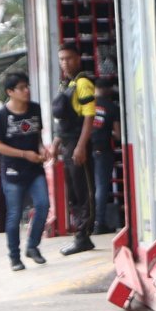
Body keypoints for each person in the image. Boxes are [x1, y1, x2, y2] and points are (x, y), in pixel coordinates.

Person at [0, 72, 50, 271]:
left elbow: (37, 137)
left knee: (43, 205)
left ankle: (32, 246)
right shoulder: (0, 116)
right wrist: (24, 154)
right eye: (22, 88)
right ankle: (14, 257)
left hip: (35, 170)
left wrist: (42, 150)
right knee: (14, 215)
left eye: (27, 86)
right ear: (10, 92)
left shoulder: (35, 109)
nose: (27, 91)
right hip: (13, 172)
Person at [51, 44, 97, 255]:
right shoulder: (66, 85)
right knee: (74, 192)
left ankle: (84, 234)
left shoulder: (83, 84)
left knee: (84, 190)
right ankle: (79, 233)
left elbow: (89, 117)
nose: (65, 63)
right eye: (61, 59)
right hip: (68, 144)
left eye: (69, 58)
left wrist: (80, 146)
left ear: (78, 58)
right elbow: (64, 122)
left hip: (79, 143)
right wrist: (55, 144)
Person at [90, 77, 121, 234]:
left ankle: (88, 222)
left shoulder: (86, 104)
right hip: (103, 150)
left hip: (85, 149)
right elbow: (119, 134)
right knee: (101, 188)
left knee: (90, 187)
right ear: (109, 89)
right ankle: (99, 222)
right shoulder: (111, 107)